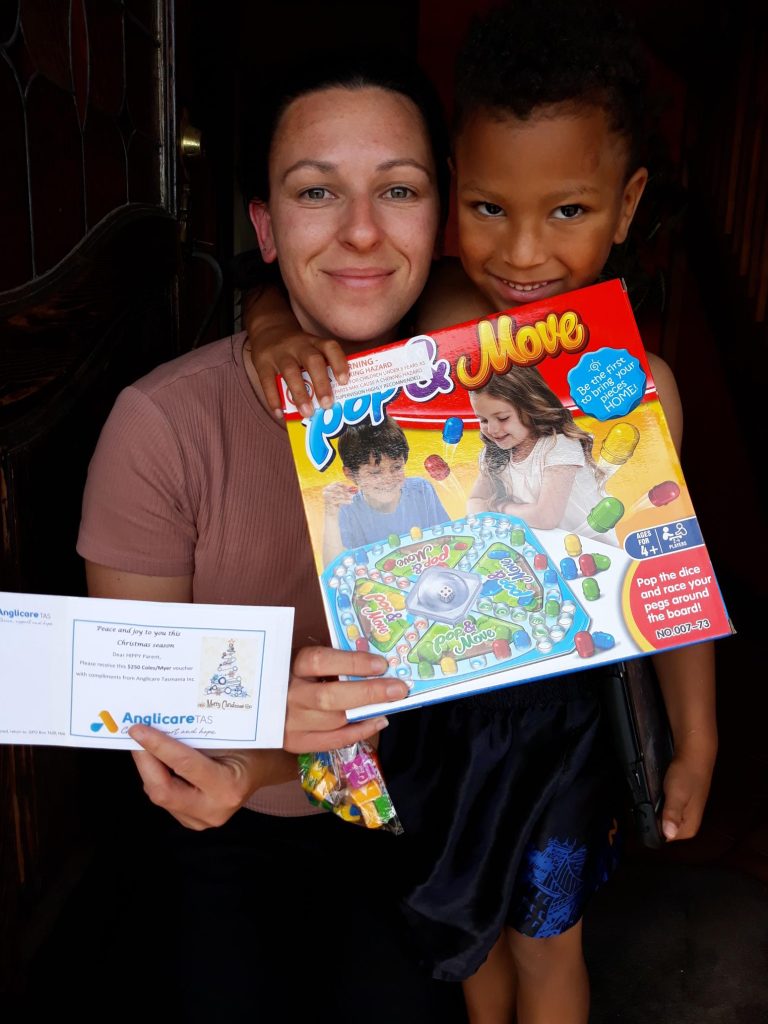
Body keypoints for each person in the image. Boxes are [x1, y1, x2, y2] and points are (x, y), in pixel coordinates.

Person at [245, 5, 717, 1023]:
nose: (525, 252)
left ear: (627, 204)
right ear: (455, 186)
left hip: (560, 736)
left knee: (547, 944)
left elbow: (668, 574)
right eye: (492, 207)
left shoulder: (639, 389)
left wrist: (699, 734)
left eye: (569, 210)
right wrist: (268, 318)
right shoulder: (424, 317)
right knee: (464, 947)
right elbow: (302, 297)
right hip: (428, 718)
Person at [77, 54, 467, 1023]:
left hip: (425, 798)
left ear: (441, 220)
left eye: (400, 189)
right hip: (233, 824)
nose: (363, 229)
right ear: (264, 225)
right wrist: (254, 738)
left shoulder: (486, 400)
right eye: (315, 191)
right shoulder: (162, 424)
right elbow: (134, 696)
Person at [466, 366, 617, 543]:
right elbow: (476, 500)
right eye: (483, 420)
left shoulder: (559, 445)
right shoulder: (495, 453)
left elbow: (545, 517)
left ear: (530, 407)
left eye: (503, 418)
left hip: (591, 545)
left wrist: (498, 507)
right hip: (543, 545)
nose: (492, 430)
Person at [323, 417, 448, 563]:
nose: (388, 479)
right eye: (375, 472)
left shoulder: (421, 490)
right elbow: (333, 569)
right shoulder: (347, 508)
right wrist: (330, 515)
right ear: (351, 474)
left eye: (396, 467)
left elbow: (447, 539)